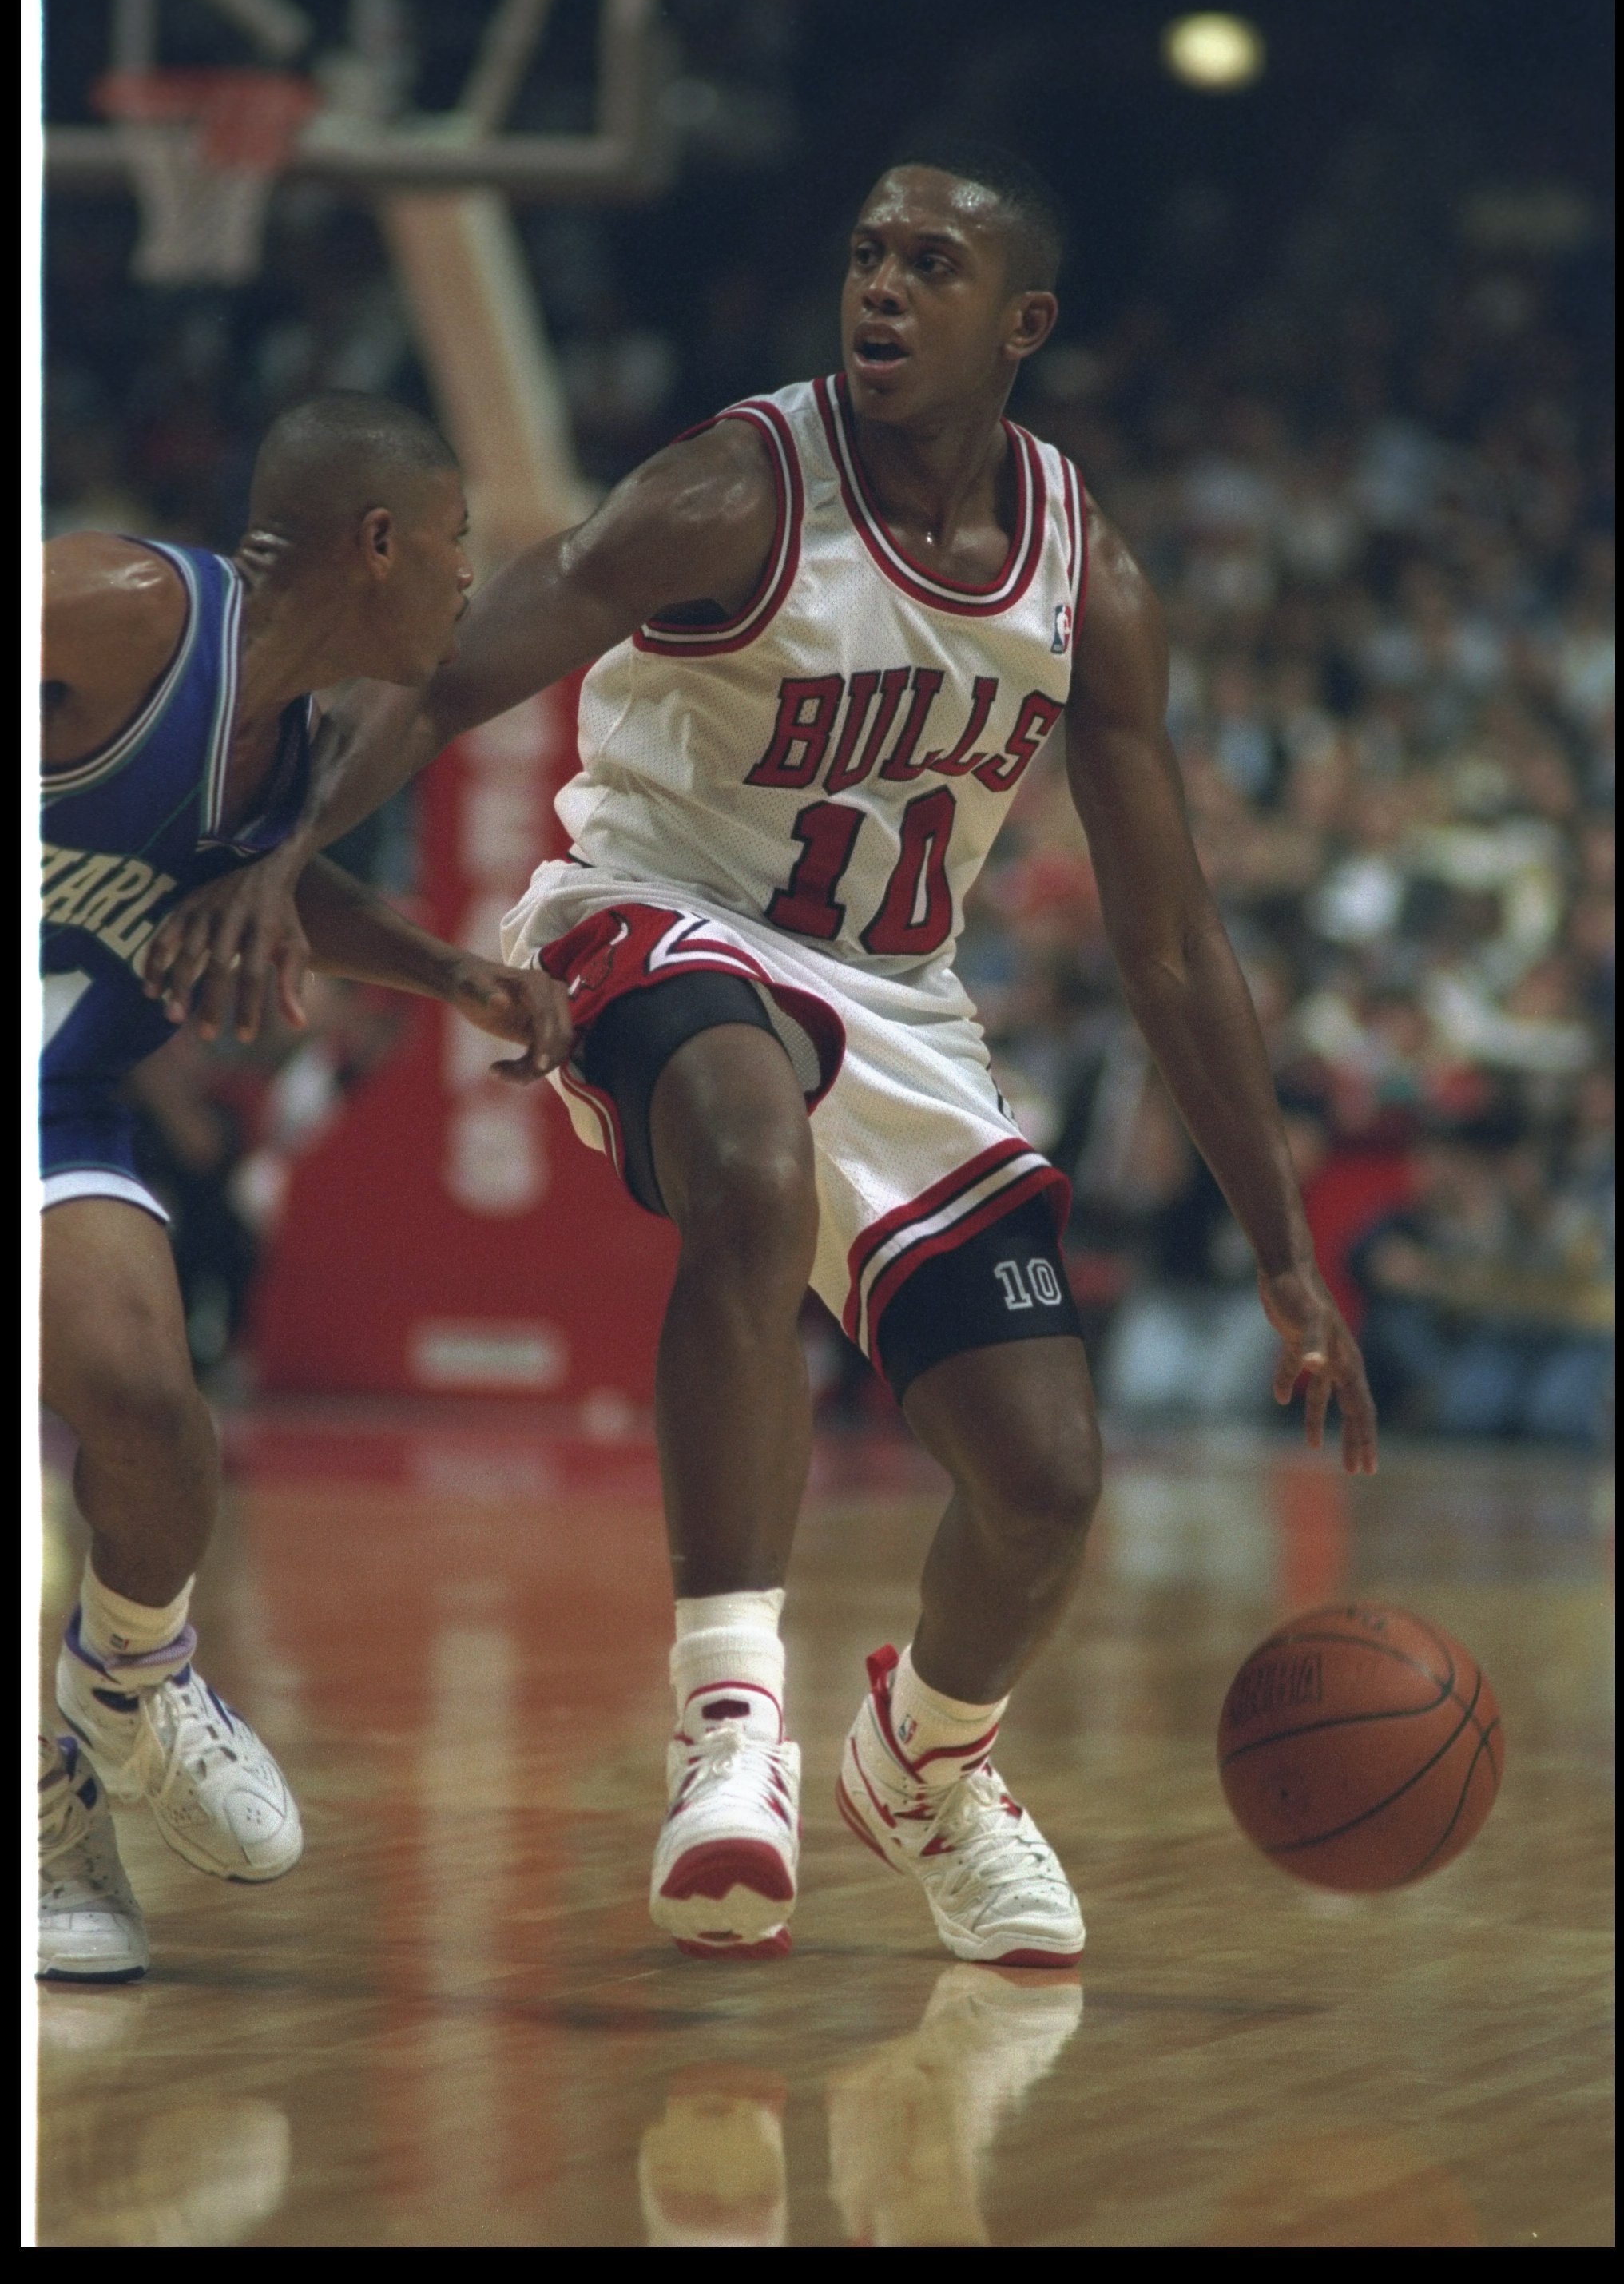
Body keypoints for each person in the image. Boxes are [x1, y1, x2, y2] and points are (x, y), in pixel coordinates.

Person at [146, 157, 1376, 1968]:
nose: (883, 286)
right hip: (651, 912)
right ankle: (732, 1720)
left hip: (898, 1000)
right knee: (745, 1154)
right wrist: (283, 854)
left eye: (933, 264)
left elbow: (1172, 940)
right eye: (869, 253)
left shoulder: (1086, 578)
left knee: (1045, 1478)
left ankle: (926, 1769)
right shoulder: (739, 488)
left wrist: (1282, 1250)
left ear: (1022, 323)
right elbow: (453, 671)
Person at [39, 393, 572, 1983]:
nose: (468, 578)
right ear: (379, 543)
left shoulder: (299, 757)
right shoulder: (127, 613)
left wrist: (448, 973)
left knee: (151, 1409)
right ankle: (58, 1796)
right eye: (457, 545)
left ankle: (121, 1692)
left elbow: (281, 887)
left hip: (57, 1099)